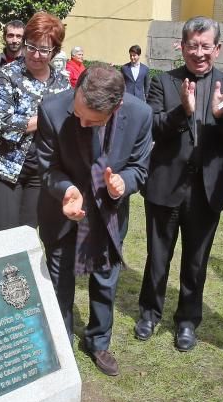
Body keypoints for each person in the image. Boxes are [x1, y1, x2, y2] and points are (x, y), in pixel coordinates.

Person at [135, 16, 223, 351]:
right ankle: (149, 313)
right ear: (182, 47)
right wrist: (182, 111)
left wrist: (222, 115)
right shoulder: (163, 82)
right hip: (165, 185)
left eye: (205, 46)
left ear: (217, 48)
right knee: (157, 257)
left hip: (207, 190)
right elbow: (151, 126)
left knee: (196, 261)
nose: (199, 52)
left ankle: (187, 321)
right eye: (192, 45)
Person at [38, 66, 151, 375]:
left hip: (109, 212)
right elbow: (47, 167)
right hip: (62, 211)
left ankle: (98, 341)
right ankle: (61, 341)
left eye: (94, 121)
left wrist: (123, 183)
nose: (83, 123)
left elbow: (139, 168)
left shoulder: (141, 115)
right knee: (59, 276)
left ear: (117, 108)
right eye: (79, 114)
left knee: (106, 276)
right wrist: (68, 191)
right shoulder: (51, 109)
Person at [0, 11, 72, 231]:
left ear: (55, 51)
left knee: (27, 235)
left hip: (40, 170)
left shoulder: (62, 83)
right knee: (6, 238)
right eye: (31, 46)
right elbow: (4, 124)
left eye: (44, 50)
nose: (36, 55)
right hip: (4, 168)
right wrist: (47, 118)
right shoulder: (7, 75)